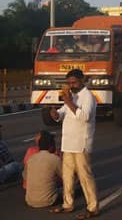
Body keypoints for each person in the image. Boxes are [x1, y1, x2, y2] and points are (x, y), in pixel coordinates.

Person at [49, 69, 99, 218]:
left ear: (82, 80)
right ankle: (67, 204)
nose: (71, 85)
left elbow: (85, 117)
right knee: (67, 176)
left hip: (81, 143)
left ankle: (93, 207)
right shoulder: (72, 96)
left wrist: (69, 102)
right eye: (69, 83)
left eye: (74, 82)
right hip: (68, 143)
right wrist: (56, 115)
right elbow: (63, 112)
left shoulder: (87, 97)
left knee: (85, 177)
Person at [24, 131, 62, 208]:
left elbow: (25, 177)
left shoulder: (31, 159)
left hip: (29, 200)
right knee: (74, 188)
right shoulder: (54, 158)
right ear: (50, 146)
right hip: (49, 200)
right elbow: (67, 178)